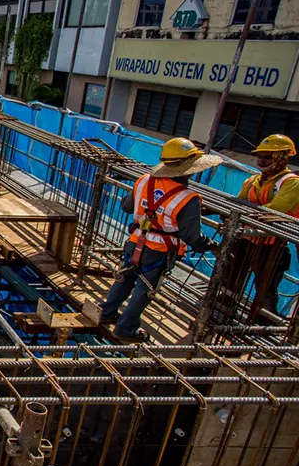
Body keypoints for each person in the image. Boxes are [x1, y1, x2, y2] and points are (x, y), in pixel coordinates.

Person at [99, 137, 220, 341]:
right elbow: (191, 236)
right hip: (158, 250)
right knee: (144, 288)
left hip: (135, 241)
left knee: (125, 278)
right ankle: (126, 328)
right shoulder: (187, 198)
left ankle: (105, 313)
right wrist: (211, 245)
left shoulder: (144, 180)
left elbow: (127, 206)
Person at [231, 134, 299, 315]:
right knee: (230, 279)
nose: (261, 160)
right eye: (260, 156)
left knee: (265, 290)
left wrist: (244, 213)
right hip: (245, 240)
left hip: (271, 247)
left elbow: (275, 209)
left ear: (282, 157)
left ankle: (262, 323)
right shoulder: (253, 181)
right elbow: (238, 202)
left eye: (267, 156)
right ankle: (222, 311)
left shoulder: (291, 183)